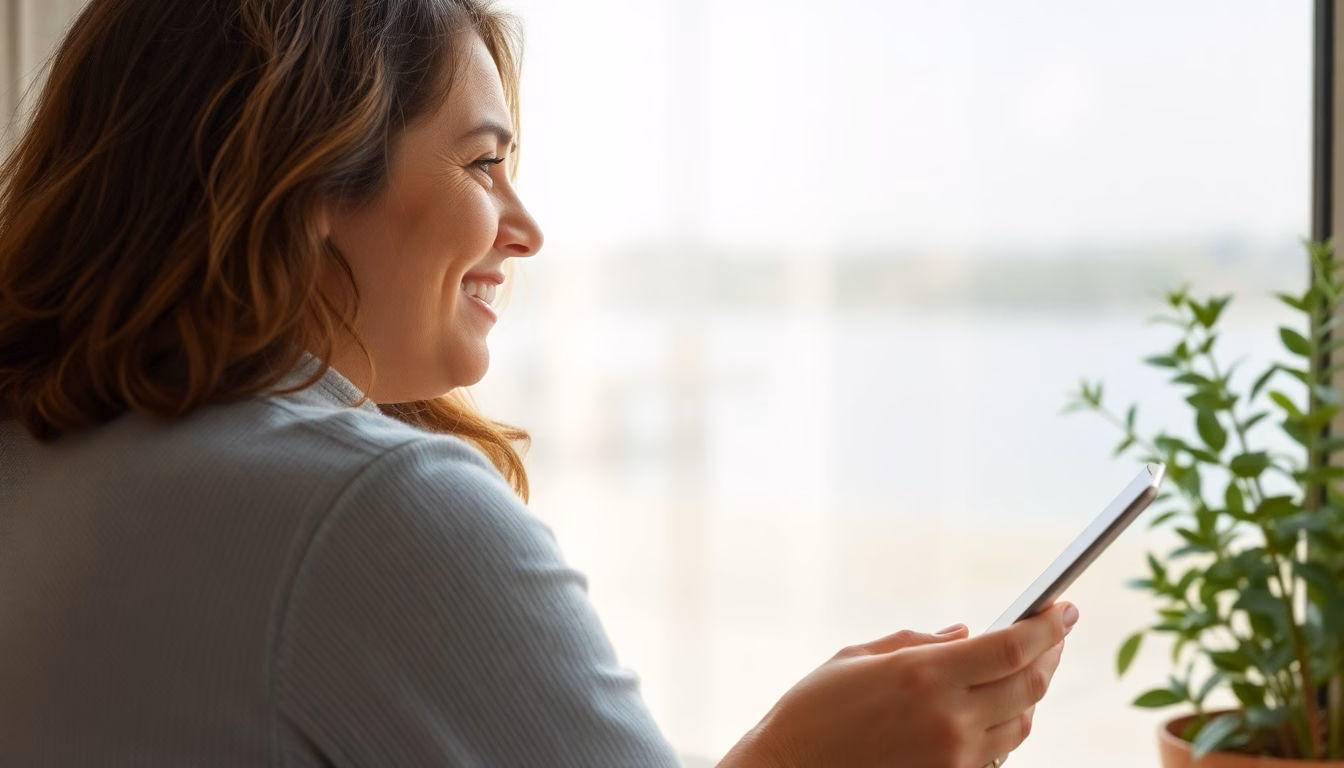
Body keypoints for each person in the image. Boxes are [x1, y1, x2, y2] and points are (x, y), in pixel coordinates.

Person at [0, 0, 1077, 765]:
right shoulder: (368, 510)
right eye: (481, 163)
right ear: (303, 175)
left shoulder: (44, 458)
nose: (526, 229)